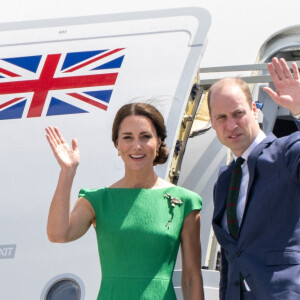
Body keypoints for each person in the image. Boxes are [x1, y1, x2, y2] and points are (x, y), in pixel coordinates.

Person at [46, 102, 204, 300]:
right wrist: (67, 172)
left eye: (145, 137)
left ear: (159, 141)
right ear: (117, 145)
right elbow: (58, 234)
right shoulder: (96, 200)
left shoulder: (185, 201)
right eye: (127, 137)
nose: (136, 146)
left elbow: (191, 277)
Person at [208, 57, 300, 300]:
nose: (231, 125)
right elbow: (231, 256)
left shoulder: (287, 152)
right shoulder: (225, 181)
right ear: (212, 123)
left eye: (238, 113)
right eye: (222, 118)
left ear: (254, 109)